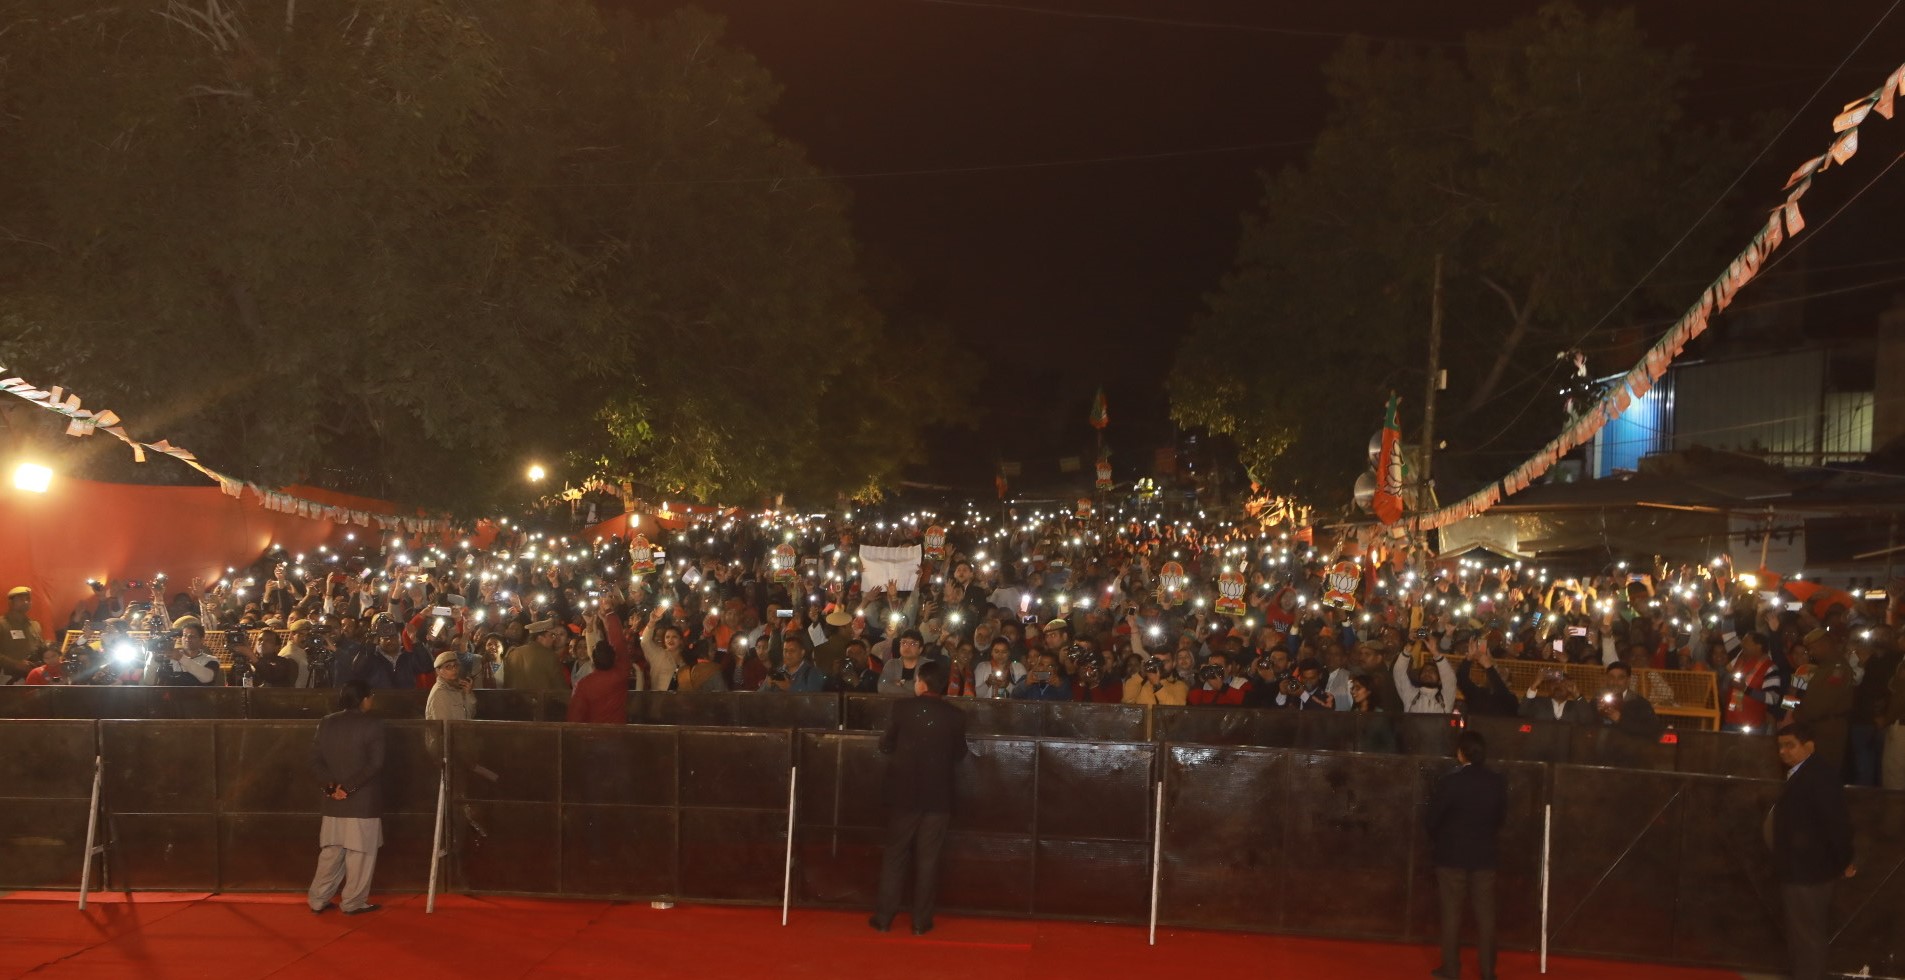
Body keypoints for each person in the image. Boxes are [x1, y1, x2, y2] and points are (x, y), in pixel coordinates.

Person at [871, 660, 969, 936]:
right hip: (938, 797)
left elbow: (885, 744)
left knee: (895, 856)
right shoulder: (956, 715)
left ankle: (884, 919)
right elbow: (960, 753)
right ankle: (920, 922)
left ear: (921, 683)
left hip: (903, 794)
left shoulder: (902, 709)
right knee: (928, 859)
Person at [1769, 723, 1856, 980]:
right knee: (1801, 935)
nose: (1783, 752)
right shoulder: (1805, 773)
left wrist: (1845, 860)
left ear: (1809, 745)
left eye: (1790, 745)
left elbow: (1837, 823)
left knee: (1807, 936)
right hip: (1801, 868)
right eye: (1780, 747)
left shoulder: (1818, 776)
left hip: (1809, 871)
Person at [1426, 730, 1506, 980]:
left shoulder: (1451, 782)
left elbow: (1432, 819)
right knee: (1486, 917)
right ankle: (1488, 971)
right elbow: (1500, 819)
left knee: (1451, 915)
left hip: (1451, 855)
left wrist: (1441, 838)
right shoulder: (1497, 782)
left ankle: (1451, 970)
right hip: (1484, 855)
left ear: (1461, 754)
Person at [307, 680, 386, 916]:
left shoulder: (327, 722)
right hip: (363, 803)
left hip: (333, 803)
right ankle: (353, 902)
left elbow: (314, 760)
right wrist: (349, 788)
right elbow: (375, 764)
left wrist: (332, 788)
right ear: (363, 699)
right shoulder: (373, 725)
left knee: (331, 854)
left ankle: (318, 899)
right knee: (360, 855)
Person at [566, 641, 628, 723]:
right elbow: (620, 644)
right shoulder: (620, 676)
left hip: (593, 732)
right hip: (619, 732)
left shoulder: (583, 685)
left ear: (593, 659)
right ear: (614, 658)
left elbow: (574, 718)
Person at [1, 586, 50, 682]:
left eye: (28, 599)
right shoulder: (2, 624)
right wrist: (15, 664)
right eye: (20, 599)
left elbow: (40, 650)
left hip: (34, 676)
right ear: (11, 603)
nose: (26, 602)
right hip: (9, 678)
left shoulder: (35, 625)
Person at [504, 619, 568, 691]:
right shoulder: (550, 656)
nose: (553, 639)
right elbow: (560, 689)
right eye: (551, 635)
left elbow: (506, 683)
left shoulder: (513, 653)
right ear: (540, 638)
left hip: (515, 701)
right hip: (542, 701)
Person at [425, 650, 476, 722]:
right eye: (448, 667)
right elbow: (444, 727)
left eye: (455, 665)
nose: (454, 669)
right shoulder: (440, 694)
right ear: (438, 671)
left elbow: (470, 715)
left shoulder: (457, 687)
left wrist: (468, 694)